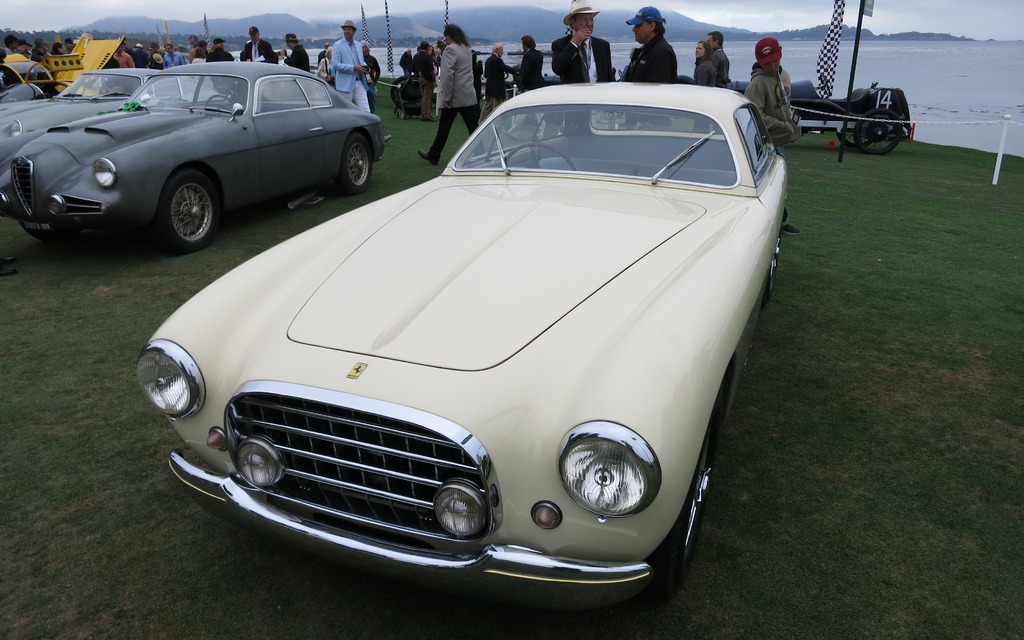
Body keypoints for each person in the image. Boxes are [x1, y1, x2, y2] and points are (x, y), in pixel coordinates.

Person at [744, 37, 801, 235]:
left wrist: (790, 123)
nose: (772, 65)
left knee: (779, 185)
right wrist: (782, 125)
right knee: (768, 187)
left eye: (775, 59)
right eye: (767, 62)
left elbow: (786, 103)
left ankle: (780, 222)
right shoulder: (757, 83)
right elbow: (754, 117)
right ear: (759, 60)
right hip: (766, 143)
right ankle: (773, 224)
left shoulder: (783, 74)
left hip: (781, 140)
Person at [418, 24, 479, 166]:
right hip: (467, 94)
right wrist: (445, 48)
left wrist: (446, 97)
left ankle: (434, 155)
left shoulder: (450, 50)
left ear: (449, 36)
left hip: (453, 97)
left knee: (444, 129)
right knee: (473, 128)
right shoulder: (466, 48)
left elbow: (447, 76)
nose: (444, 39)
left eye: (445, 36)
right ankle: (481, 154)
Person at [551, 0, 614, 84]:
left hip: (599, 94)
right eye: (585, 20)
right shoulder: (560, 45)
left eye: (591, 19)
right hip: (574, 95)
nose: (589, 24)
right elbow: (557, 69)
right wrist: (573, 43)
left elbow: (609, 76)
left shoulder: (603, 46)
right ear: (573, 23)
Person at [621, 6, 676, 83]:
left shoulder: (661, 53)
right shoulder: (647, 50)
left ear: (652, 26)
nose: (633, 29)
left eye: (638, 25)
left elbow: (658, 91)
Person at [330, 20, 371, 112]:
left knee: (366, 110)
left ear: (354, 31)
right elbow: (335, 65)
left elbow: (361, 61)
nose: (346, 31)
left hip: (360, 82)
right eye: (344, 29)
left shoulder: (358, 44)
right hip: (344, 84)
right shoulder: (337, 45)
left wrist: (365, 66)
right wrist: (353, 67)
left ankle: (365, 126)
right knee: (344, 111)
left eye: (348, 29)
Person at [480, 44, 516, 120]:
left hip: (489, 88)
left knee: (487, 106)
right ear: (496, 50)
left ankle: (481, 122)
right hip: (497, 88)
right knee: (496, 107)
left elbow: (486, 75)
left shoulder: (488, 60)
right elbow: (506, 68)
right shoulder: (498, 60)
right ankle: (496, 123)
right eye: (501, 50)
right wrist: (516, 71)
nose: (502, 52)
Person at [412, 40, 436, 121]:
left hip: (419, 78)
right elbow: (431, 70)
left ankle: (425, 113)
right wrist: (434, 80)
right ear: (427, 47)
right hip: (427, 78)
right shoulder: (427, 56)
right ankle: (425, 115)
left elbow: (413, 68)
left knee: (423, 97)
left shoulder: (416, 56)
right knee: (427, 97)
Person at [362, 44, 381, 114]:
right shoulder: (359, 58)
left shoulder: (372, 59)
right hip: (361, 82)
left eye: (363, 47)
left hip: (370, 82)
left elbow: (378, 70)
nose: (362, 49)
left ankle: (373, 115)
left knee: (371, 98)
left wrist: (375, 80)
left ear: (367, 48)